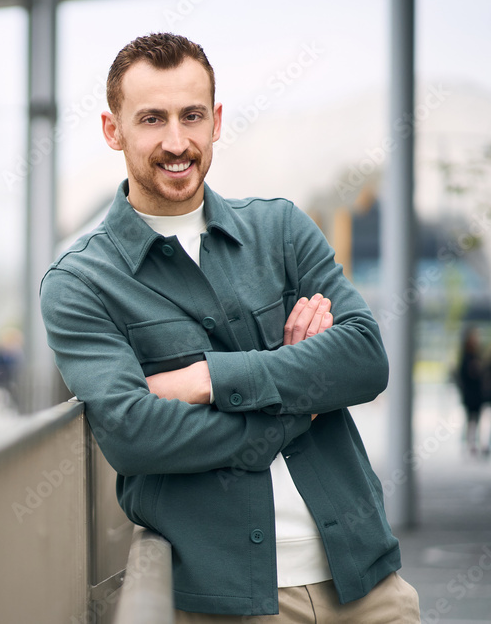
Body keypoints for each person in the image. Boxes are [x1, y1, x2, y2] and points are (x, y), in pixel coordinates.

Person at [39, 33, 420, 621]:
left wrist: (206, 380)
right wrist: (301, 400)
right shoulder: (81, 283)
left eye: (192, 115)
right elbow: (135, 435)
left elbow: (366, 358)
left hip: (367, 584)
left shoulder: (282, 229)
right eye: (151, 119)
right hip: (228, 603)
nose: (176, 141)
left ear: (216, 120)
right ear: (113, 131)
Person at [458, 327, 485, 456]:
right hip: (470, 394)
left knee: (476, 419)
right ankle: (470, 444)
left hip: (477, 393)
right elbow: (465, 374)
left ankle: (474, 443)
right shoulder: (466, 356)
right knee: (470, 419)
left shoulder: (476, 354)